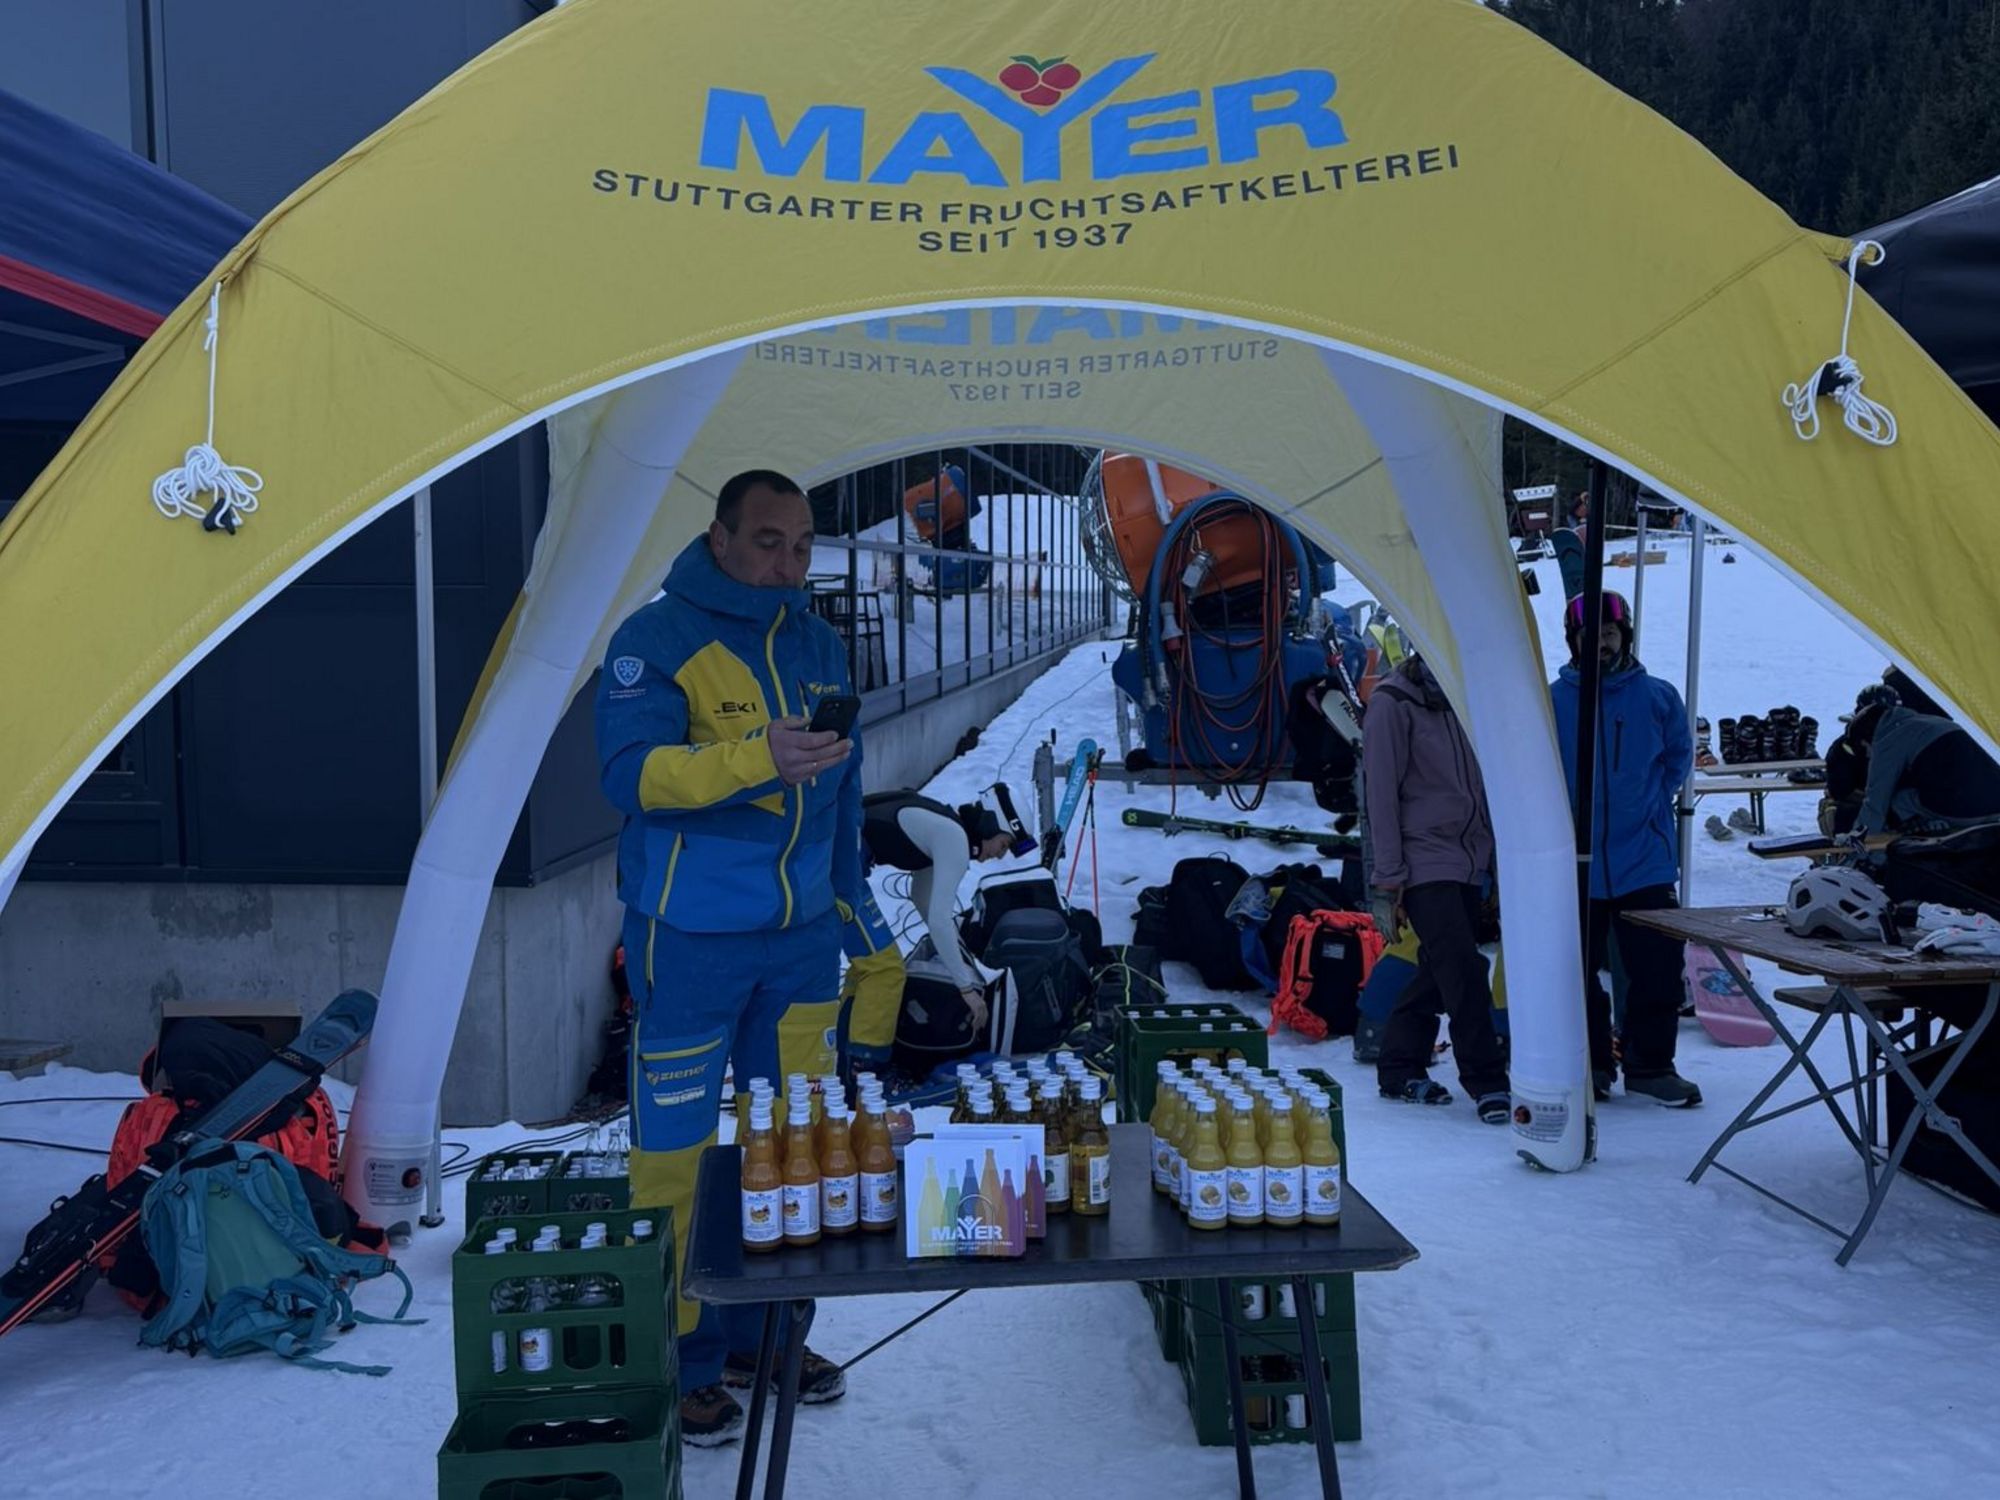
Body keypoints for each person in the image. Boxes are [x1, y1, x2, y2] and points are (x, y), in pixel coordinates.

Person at [594, 468, 862, 1446]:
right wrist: (756, 760)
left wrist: (854, 918)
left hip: (800, 947)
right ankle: (684, 1359)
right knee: (673, 1162)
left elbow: (843, 795)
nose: (788, 563)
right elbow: (629, 776)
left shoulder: (819, 642)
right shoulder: (653, 639)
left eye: (802, 544)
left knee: (789, 1150)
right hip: (689, 944)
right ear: (718, 538)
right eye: (767, 541)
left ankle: (768, 1335)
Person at [1550, 591, 1702, 1107]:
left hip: (1644, 860)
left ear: (1625, 636)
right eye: (1589, 636)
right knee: (1577, 972)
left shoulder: (1657, 697)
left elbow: (1679, 757)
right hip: (1578, 861)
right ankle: (1592, 1064)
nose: (1601, 644)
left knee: (1658, 969)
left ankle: (1651, 1066)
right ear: (1573, 641)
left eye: (1610, 634)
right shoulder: (1553, 700)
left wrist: (1654, 802)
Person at [1361, 654, 1511, 1121]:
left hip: (1469, 857)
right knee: (1463, 966)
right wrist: (1389, 879)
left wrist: (1496, 861)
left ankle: (1398, 1065)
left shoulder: (1469, 699)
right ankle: (1487, 1079)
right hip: (1421, 858)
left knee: (1441, 965)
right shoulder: (1392, 703)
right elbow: (1380, 796)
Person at [838, 786, 1032, 1072]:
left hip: (838, 856)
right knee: (884, 970)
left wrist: (961, 958)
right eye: (1004, 845)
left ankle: (843, 1059)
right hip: (839, 866)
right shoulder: (954, 838)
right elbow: (939, 920)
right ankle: (866, 1071)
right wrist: (966, 989)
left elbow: (922, 899)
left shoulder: (946, 825)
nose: (1000, 855)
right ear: (991, 824)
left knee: (867, 966)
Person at [1847, 683, 2000, 838]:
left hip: (1966, 810)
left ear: (1868, 736)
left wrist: (1858, 840)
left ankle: (1921, 833)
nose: (1868, 755)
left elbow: (1876, 801)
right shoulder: (1935, 722)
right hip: (1996, 804)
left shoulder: (1888, 738)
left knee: (1899, 801)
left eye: (1865, 748)